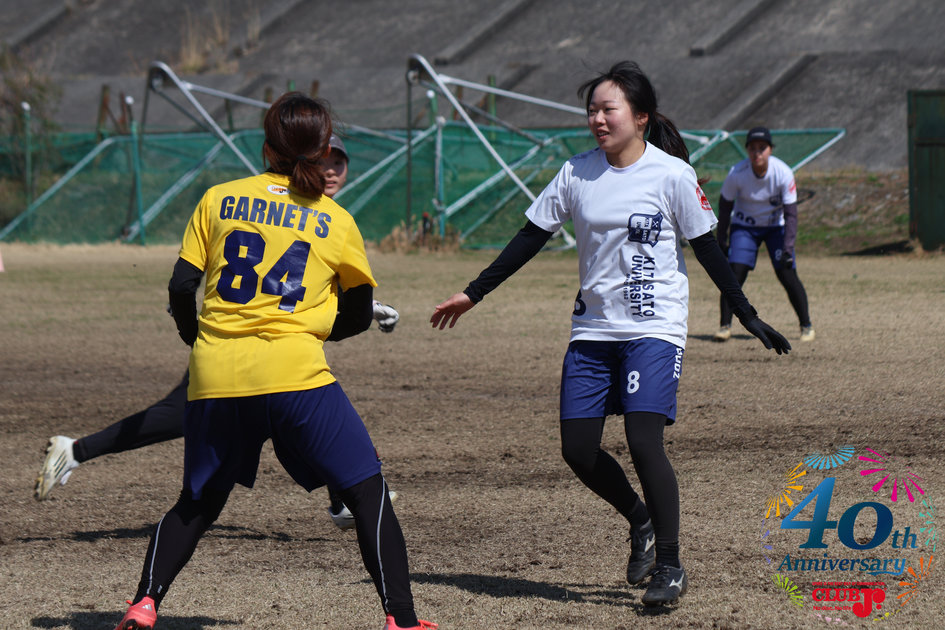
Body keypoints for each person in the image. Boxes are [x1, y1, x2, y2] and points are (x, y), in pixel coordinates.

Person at [430, 61, 790, 607]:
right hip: (593, 329)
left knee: (644, 442)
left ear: (640, 117)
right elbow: (530, 236)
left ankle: (670, 565)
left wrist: (745, 313)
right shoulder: (576, 173)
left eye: (608, 109)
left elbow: (708, 249)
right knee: (577, 450)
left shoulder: (672, 175)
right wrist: (473, 292)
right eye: (591, 110)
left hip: (654, 328)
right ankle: (639, 518)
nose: (597, 119)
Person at [107, 93, 435, 630]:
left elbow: (181, 286)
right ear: (322, 151)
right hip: (295, 376)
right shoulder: (336, 219)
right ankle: (402, 619)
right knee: (366, 490)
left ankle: (144, 603)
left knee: (198, 502)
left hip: (216, 375)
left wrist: (198, 340)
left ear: (265, 148)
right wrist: (313, 329)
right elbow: (357, 315)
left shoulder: (218, 199)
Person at [34, 134, 400, 531]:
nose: (330, 171)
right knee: (222, 414)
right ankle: (75, 450)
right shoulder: (287, 207)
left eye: (338, 163)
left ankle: (342, 497)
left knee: (294, 410)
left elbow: (295, 281)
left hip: (260, 348)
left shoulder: (321, 213)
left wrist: (366, 308)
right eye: (323, 160)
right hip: (234, 345)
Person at [712, 126, 814, 343]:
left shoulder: (783, 173)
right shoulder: (737, 173)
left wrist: (788, 248)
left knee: (787, 273)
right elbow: (725, 208)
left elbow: (791, 214)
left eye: (762, 148)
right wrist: (722, 240)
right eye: (752, 148)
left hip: (775, 227)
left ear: (770, 150)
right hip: (745, 227)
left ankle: (806, 326)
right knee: (734, 273)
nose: (757, 152)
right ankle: (724, 326)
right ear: (747, 150)